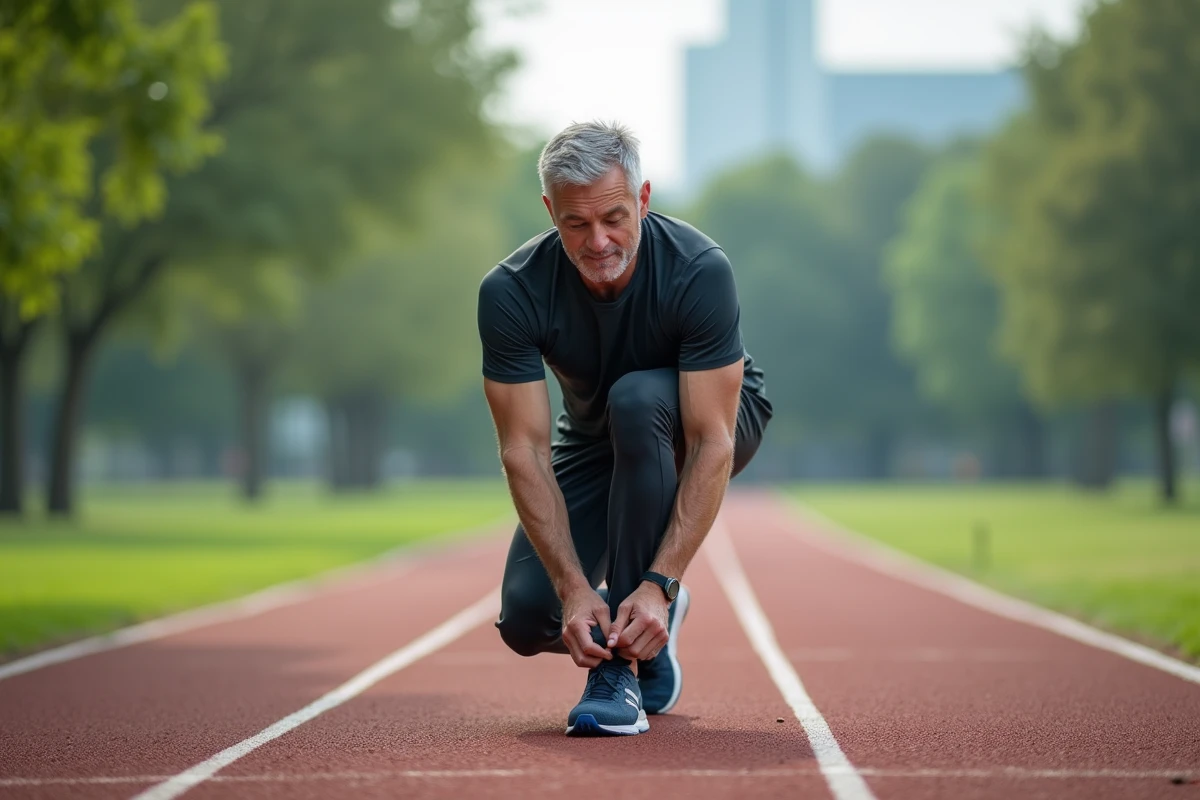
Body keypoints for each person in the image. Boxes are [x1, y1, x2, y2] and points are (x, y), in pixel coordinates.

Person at [477, 121, 772, 736]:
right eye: (576, 223)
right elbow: (524, 448)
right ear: (550, 212)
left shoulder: (698, 269)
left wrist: (660, 583)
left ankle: (618, 677)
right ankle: (642, 628)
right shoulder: (511, 291)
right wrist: (573, 588)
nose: (599, 241)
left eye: (614, 217)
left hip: (714, 419)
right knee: (528, 618)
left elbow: (713, 440)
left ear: (643, 198)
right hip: (595, 439)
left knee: (635, 400)